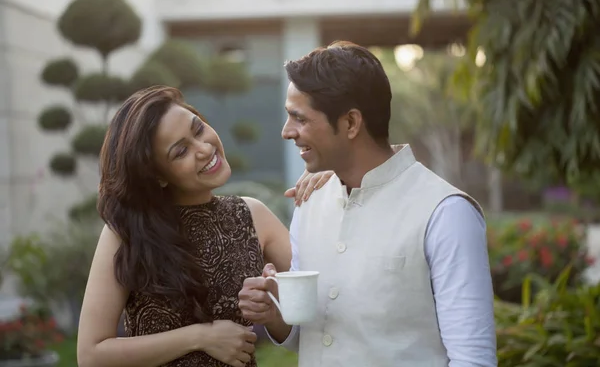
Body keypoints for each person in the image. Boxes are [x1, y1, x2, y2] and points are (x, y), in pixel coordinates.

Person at [238, 41, 498, 367]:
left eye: (299, 118)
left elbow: (473, 359)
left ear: (350, 123)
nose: (286, 132)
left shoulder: (446, 212)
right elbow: (315, 335)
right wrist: (274, 315)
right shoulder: (310, 203)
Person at [76, 85, 331, 367]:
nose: (204, 148)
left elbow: (323, 309)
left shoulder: (253, 215)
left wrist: (340, 182)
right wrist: (200, 337)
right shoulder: (126, 233)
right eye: (180, 151)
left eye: (198, 129)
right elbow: (91, 354)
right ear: (158, 175)